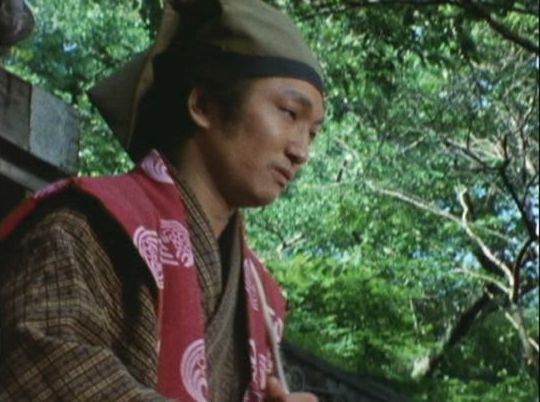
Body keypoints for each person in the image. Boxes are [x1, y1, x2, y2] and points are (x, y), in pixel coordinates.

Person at [0, 0, 325, 400]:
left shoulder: (260, 296)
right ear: (203, 105)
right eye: (289, 113)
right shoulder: (86, 228)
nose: (301, 151)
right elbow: (35, 368)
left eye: (313, 133)